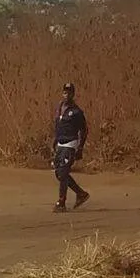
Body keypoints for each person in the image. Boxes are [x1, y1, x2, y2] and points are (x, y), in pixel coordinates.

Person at [51, 82, 90, 211]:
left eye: (69, 93)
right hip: (60, 143)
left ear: (73, 94)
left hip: (70, 144)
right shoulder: (59, 108)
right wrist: (55, 140)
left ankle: (61, 202)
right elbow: (58, 126)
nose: (66, 95)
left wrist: (80, 148)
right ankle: (81, 193)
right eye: (65, 92)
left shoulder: (77, 112)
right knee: (59, 173)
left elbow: (84, 130)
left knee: (63, 171)